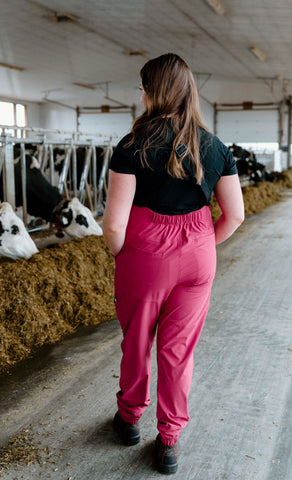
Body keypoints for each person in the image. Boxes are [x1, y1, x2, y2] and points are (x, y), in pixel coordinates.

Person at [102, 53, 244, 475]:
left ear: (151, 93)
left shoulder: (131, 146)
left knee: (138, 340)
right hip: (199, 251)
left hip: (145, 251)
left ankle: (129, 419)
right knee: (178, 351)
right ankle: (168, 442)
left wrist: (119, 252)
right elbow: (234, 215)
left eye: (143, 88)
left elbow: (114, 223)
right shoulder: (216, 147)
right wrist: (201, 245)